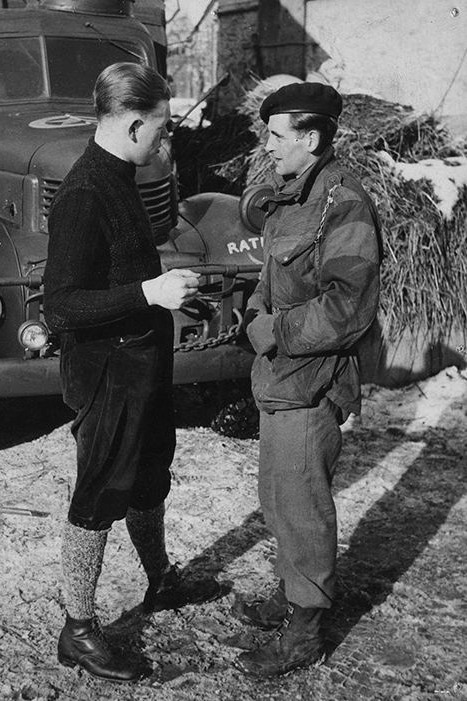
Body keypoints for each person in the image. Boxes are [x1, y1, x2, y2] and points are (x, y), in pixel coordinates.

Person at [43, 62, 219, 683]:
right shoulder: (86, 191)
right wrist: (150, 290)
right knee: (98, 493)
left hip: (141, 365)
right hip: (107, 372)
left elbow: (119, 276)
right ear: (136, 122)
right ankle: (78, 627)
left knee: (149, 478)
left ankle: (160, 580)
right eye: (164, 129)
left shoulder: (120, 178)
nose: (166, 141)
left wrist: (165, 288)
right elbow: (60, 305)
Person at [234, 82, 382, 677]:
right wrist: (254, 310)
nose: (268, 147)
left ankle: (305, 631)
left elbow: (349, 306)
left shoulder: (341, 202)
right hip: (281, 379)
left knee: (301, 506)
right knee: (278, 499)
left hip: (311, 379)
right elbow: (280, 273)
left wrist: (275, 331)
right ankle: (291, 592)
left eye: (276, 135)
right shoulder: (293, 196)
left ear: (311, 137)